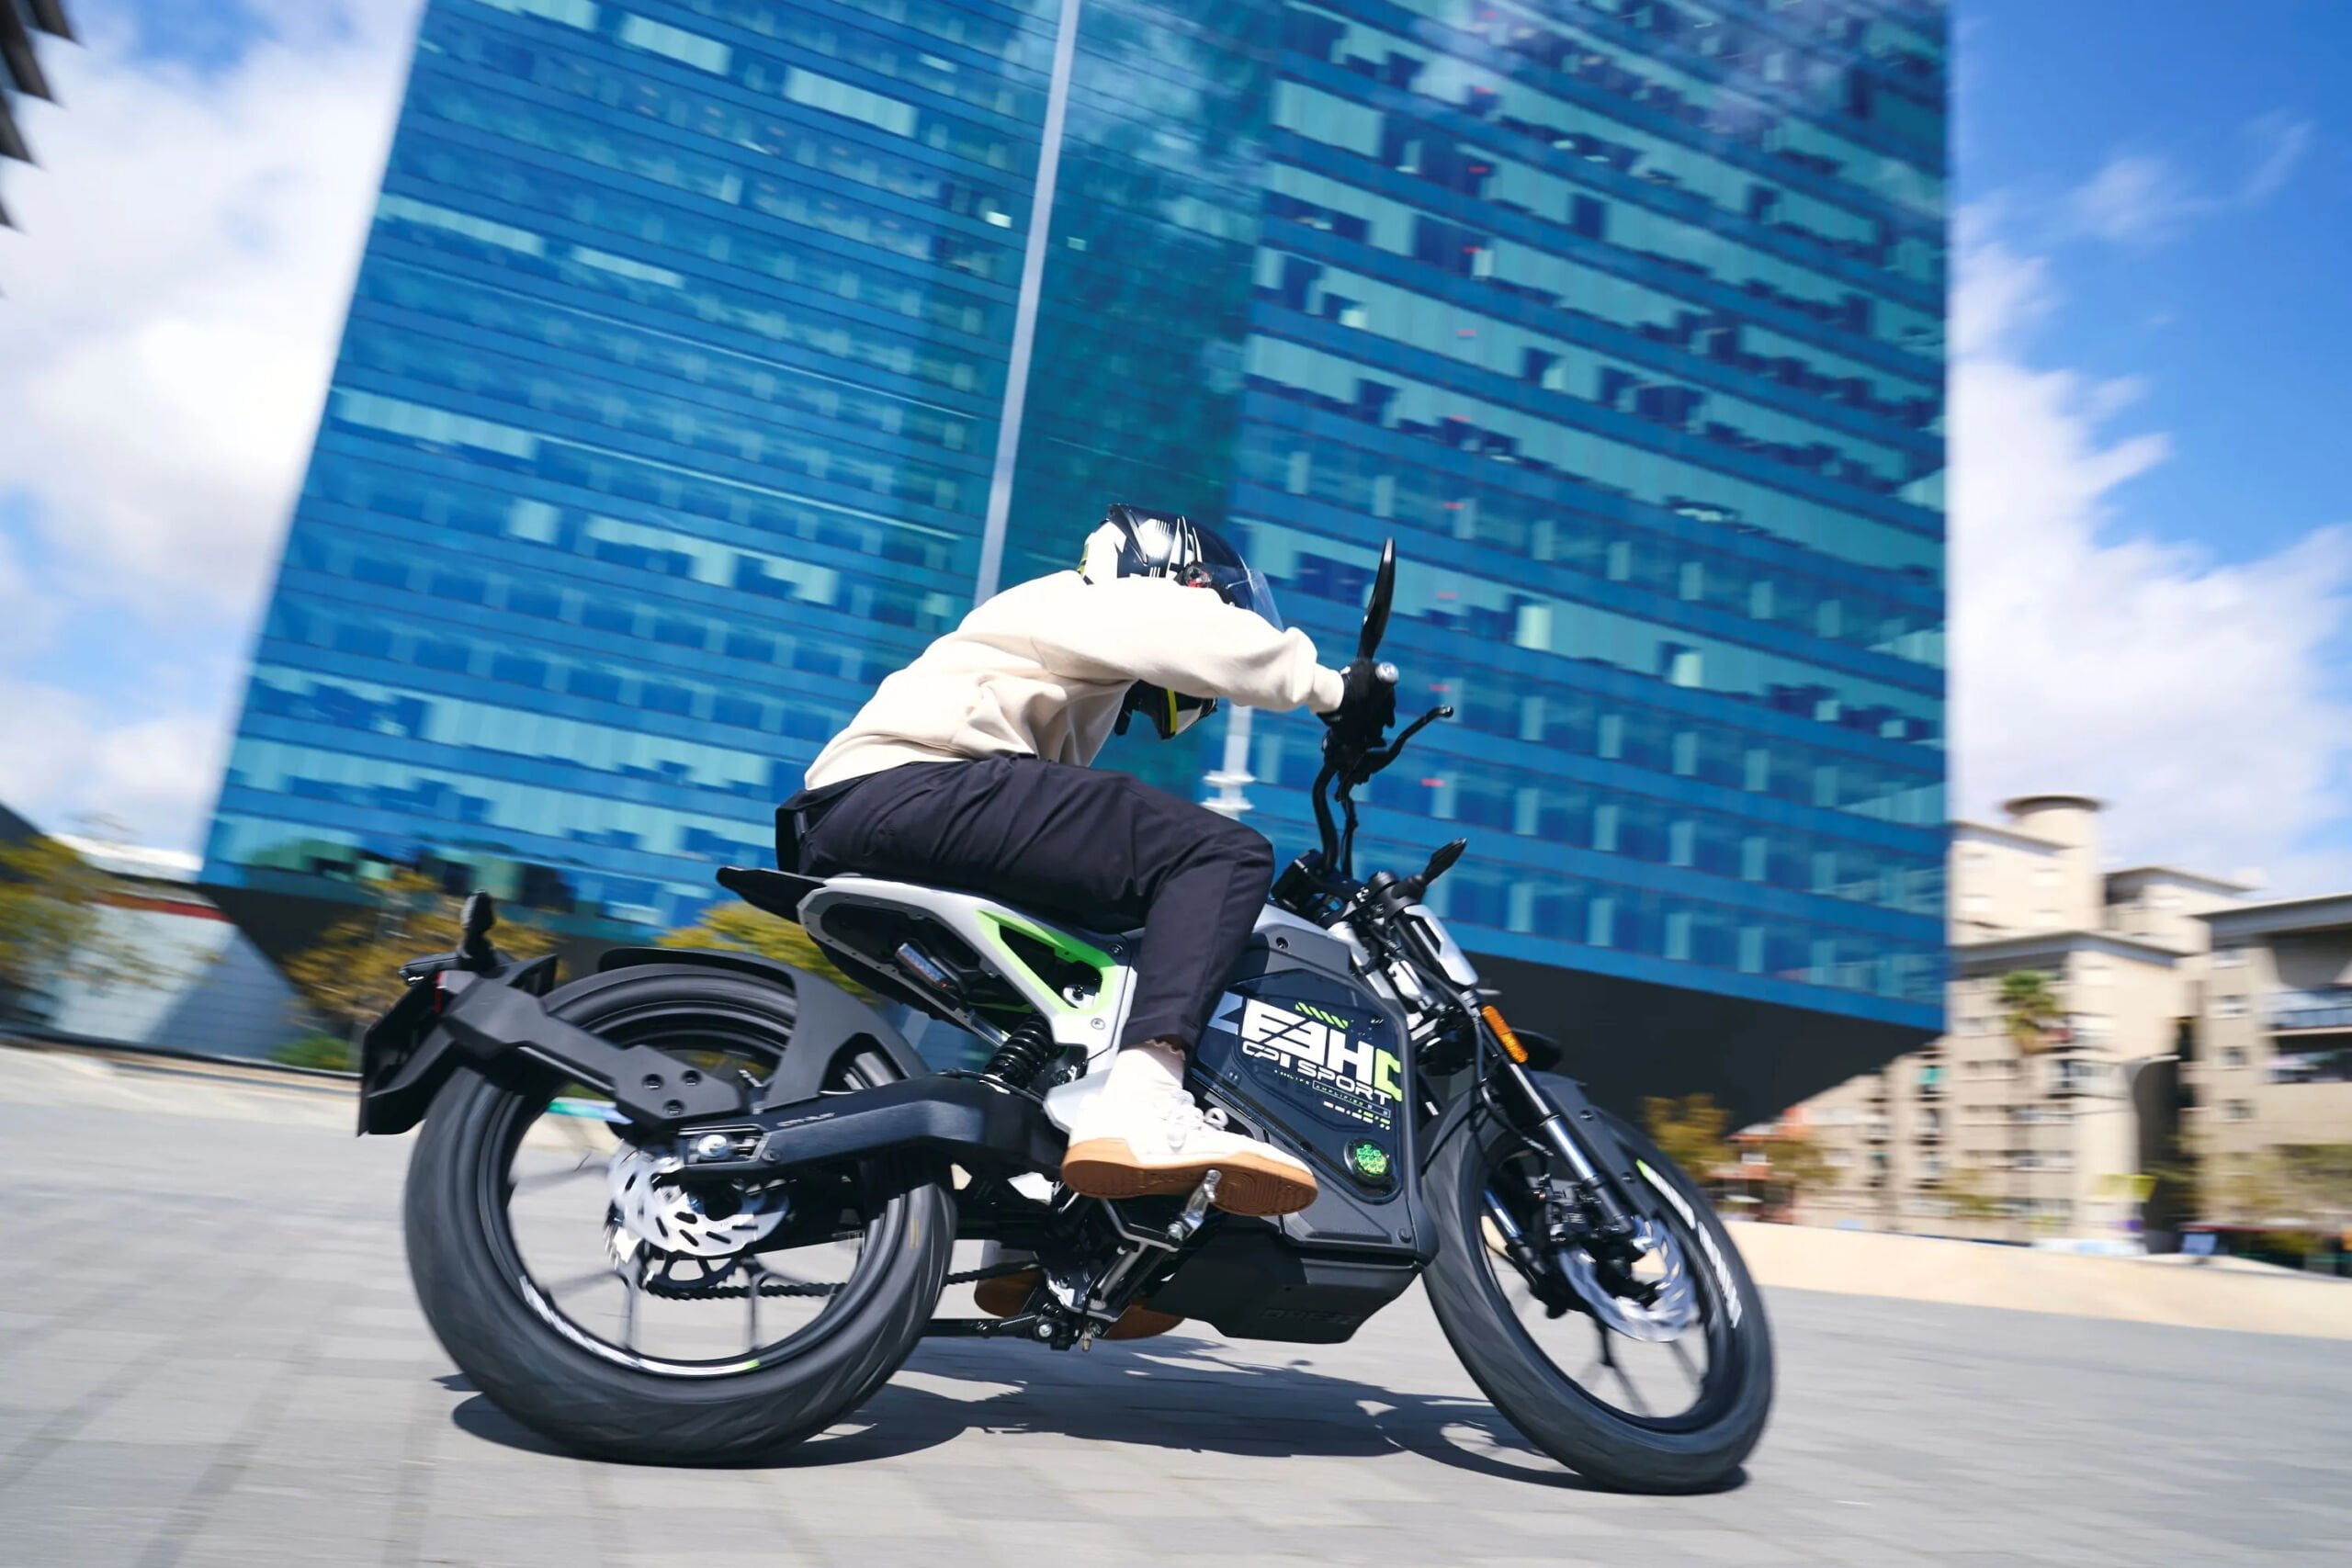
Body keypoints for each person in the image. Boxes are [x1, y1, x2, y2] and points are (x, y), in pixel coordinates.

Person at [782, 504, 1392, 1218]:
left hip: (879, 812)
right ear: (1179, 578)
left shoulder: (1061, 654)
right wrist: (1335, 689)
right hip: (913, 789)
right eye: (1219, 603)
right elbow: (1191, 631)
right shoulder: (1094, 597)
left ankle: (1043, 1195)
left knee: (1109, 951)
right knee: (1220, 855)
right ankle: (1144, 1101)